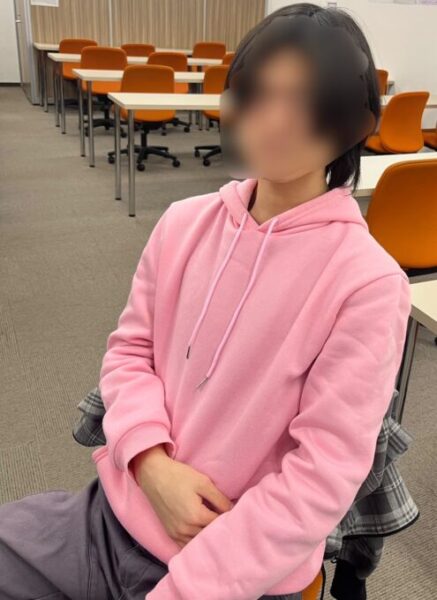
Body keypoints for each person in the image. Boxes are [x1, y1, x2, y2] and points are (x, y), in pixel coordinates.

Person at [0, 4, 411, 600]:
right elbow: (129, 353)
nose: (275, 119)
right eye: (260, 93)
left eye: (304, 100)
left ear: (349, 119)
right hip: (113, 513)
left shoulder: (367, 283)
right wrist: (149, 464)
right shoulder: (182, 223)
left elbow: (321, 476)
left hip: (231, 570)